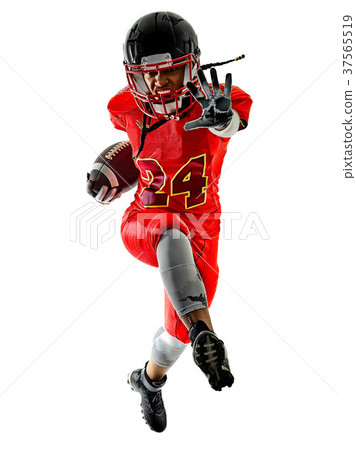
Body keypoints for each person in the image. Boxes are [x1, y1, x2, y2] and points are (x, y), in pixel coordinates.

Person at [88, 11, 252, 432]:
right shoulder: (125, 107)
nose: (158, 84)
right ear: (133, 77)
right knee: (168, 229)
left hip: (203, 224)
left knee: (176, 333)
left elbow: (234, 122)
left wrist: (223, 120)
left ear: (193, 66)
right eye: (148, 76)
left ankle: (148, 381)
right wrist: (112, 171)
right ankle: (204, 335)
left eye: (171, 73)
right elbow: (134, 145)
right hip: (145, 218)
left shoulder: (218, 100)